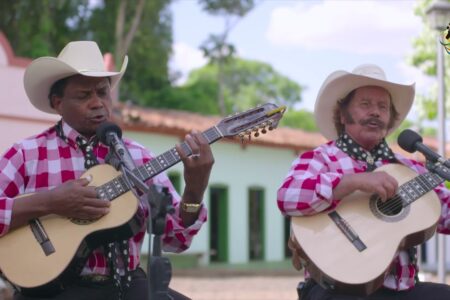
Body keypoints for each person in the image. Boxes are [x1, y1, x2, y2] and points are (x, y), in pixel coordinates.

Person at [0, 41, 214, 300]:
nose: (97, 103)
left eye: (103, 92)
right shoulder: (26, 154)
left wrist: (194, 190)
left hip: (127, 284)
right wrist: (49, 202)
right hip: (53, 291)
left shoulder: (137, 156)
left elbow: (175, 240)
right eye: (83, 96)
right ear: (58, 103)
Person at [277, 64, 450, 300]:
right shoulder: (320, 158)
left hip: (404, 291)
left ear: (389, 118)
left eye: (383, 107)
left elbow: (446, 215)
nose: (376, 112)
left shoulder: (411, 170)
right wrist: (353, 181)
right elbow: (287, 197)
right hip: (336, 290)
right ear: (342, 114)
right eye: (365, 104)